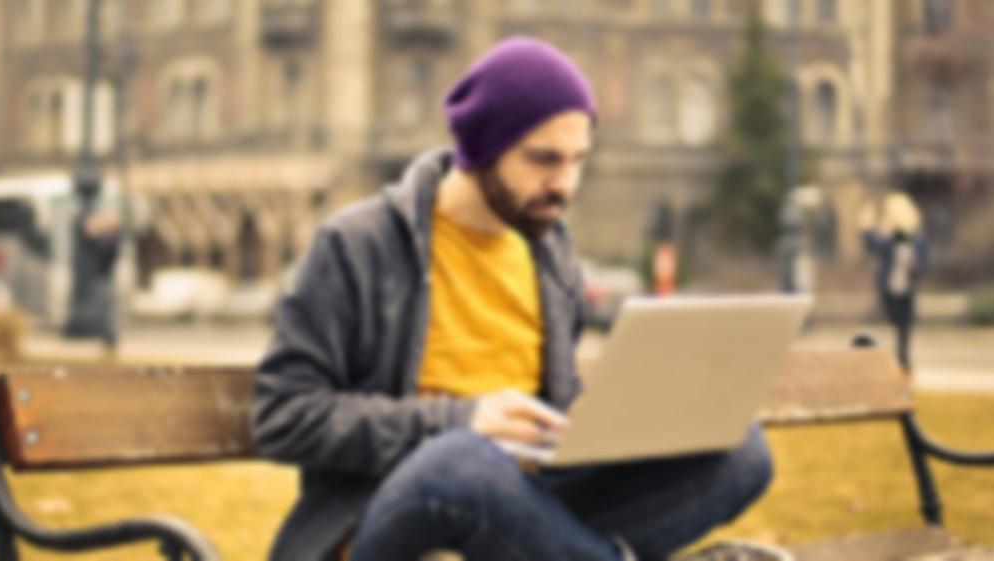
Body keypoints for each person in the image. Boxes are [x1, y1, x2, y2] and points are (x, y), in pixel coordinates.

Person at [253, 37, 773, 561]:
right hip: (389, 512)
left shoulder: (551, 255)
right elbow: (284, 415)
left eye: (577, 161)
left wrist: (608, 421)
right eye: (544, 160)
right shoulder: (356, 245)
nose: (565, 185)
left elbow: (545, 410)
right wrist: (459, 420)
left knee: (741, 448)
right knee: (462, 460)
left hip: (524, 506)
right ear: (481, 148)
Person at [860, 193, 929, 370]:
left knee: (906, 324)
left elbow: (924, 263)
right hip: (889, 287)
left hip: (907, 287)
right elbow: (873, 245)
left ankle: (903, 356)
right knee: (896, 319)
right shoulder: (890, 240)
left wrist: (916, 267)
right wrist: (866, 227)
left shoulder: (916, 240)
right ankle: (895, 355)